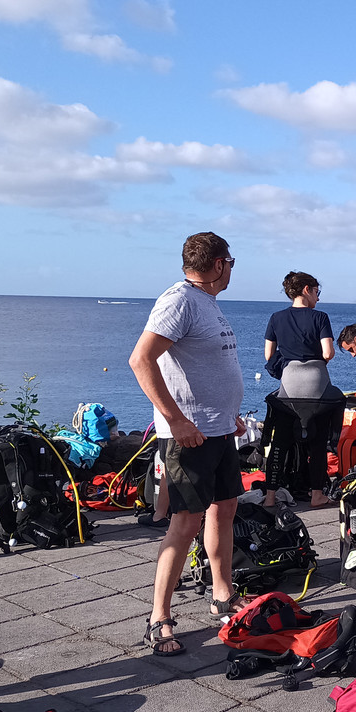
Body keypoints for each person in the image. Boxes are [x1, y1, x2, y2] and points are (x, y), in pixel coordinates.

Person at [128, 231, 247, 657]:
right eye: (231, 262)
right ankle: (159, 617)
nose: (232, 268)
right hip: (189, 435)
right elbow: (140, 359)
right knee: (185, 521)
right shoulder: (179, 300)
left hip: (216, 429)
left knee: (224, 509)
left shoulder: (205, 303)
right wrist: (177, 421)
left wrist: (227, 413)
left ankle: (222, 595)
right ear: (218, 264)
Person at [262, 271, 342, 509]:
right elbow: (328, 353)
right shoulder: (320, 317)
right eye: (317, 291)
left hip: (290, 382)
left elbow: (268, 356)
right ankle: (317, 494)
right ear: (307, 289)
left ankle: (269, 496)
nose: (318, 297)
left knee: (281, 443)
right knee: (318, 443)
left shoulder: (276, 317)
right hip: (316, 382)